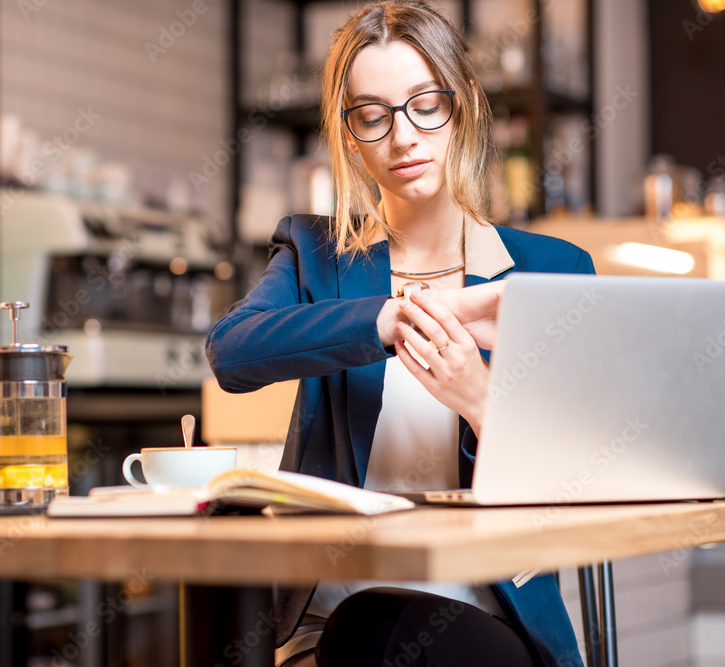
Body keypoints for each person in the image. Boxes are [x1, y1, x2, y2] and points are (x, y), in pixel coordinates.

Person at [207, 1, 594, 665]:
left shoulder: (551, 271)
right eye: (372, 114)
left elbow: (587, 476)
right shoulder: (315, 255)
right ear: (348, 132)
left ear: (464, 104)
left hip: (485, 619)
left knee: (392, 632)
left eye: (424, 104)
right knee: (366, 625)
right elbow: (233, 352)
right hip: (333, 625)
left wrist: (479, 395)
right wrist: (389, 316)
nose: (403, 137)